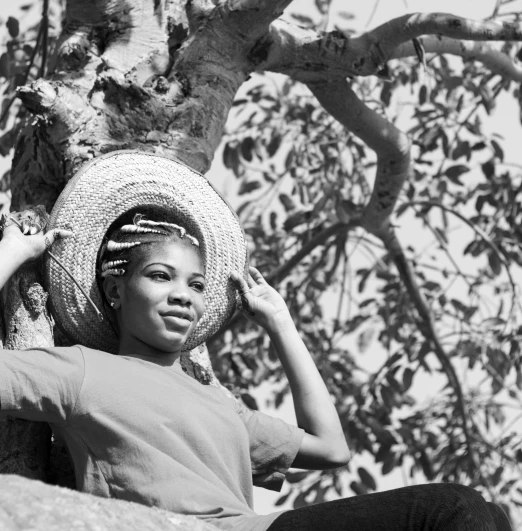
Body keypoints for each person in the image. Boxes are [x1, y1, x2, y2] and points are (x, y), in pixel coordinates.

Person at [0, 152, 512, 531]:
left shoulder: (220, 405)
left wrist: (282, 325)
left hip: (261, 528)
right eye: (161, 276)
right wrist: (9, 255)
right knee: (456, 509)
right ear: (115, 289)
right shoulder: (82, 371)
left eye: (197, 285)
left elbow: (332, 448)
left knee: (494, 516)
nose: (183, 296)